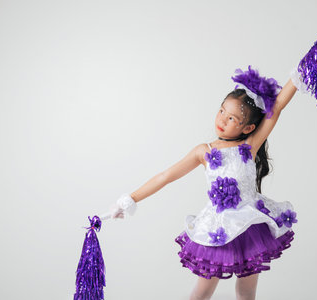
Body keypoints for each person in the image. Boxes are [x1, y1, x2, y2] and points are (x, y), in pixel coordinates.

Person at [102, 65, 302, 300]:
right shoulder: (203, 152)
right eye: (221, 111)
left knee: (246, 292)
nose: (222, 120)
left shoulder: (249, 146)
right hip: (217, 228)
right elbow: (165, 176)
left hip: (249, 226)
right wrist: (130, 199)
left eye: (232, 118)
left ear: (248, 127)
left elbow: (276, 107)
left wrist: (301, 73)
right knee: (203, 290)